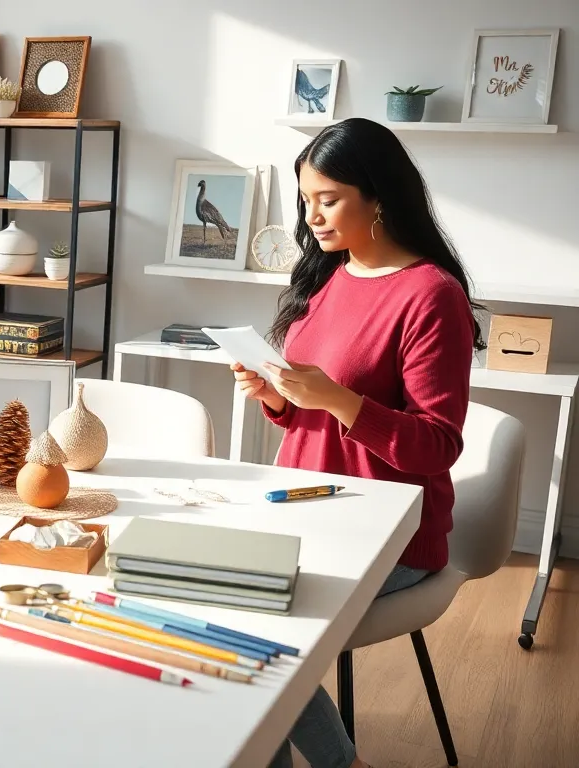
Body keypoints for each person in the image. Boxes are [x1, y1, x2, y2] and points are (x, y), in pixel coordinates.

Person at [233, 118, 483, 768]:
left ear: (378, 196)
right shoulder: (332, 278)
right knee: (218, 593)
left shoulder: (432, 296)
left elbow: (436, 445)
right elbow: (317, 419)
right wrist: (280, 401)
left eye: (329, 199)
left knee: (261, 619)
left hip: (389, 533)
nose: (312, 217)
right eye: (306, 200)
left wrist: (338, 400)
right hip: (304, 508)